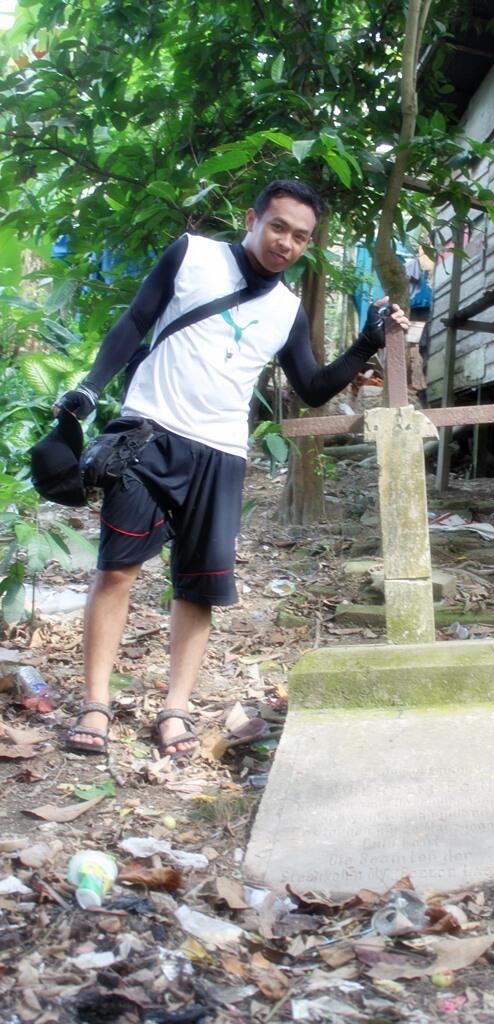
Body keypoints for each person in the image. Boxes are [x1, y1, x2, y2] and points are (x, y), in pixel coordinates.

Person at [58, 179, 409, 759]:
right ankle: (95, 704)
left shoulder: (287, 309)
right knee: (117, 569)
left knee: (197, 585)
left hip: (220, 452)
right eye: (278, 227)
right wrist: (89, 389)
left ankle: (176, 709)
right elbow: (133, 322)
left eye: (300, 237)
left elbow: (314, 388)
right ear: (253, 219)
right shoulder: (192, 254)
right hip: (149, 431)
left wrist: (365, 345)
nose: (287, 244)